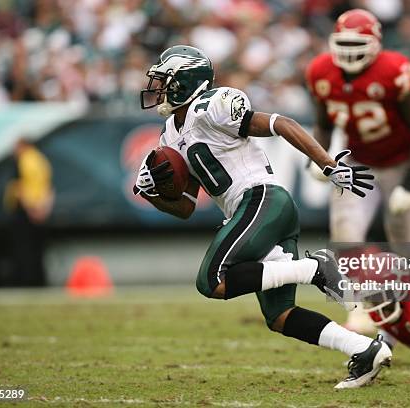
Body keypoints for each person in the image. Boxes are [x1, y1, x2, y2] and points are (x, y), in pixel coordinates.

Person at [133, 45, 391, 389]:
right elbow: (185, 207)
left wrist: (327, 165)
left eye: (165, 80)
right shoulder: (170, 133)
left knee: (211, 281)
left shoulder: (213, 105)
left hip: (262, 200)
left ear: (186, 81)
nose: (159, 88)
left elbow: (280, 123)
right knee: (280, 316)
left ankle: (313, 268)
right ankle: (365, 349)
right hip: (254, 211)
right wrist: (152, 193)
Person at [305, 9, 410, 333]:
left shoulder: (395, 70)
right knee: (346, 235)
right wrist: (317, 158)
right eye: (345, 43)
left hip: (403, 160)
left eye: (358, 43)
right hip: (358, 162)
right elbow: (324, 125)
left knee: (408, 245)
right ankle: (365, 307)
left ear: (376, 44)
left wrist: (409, 183)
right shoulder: (321, 71)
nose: (350, 51)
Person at [4, 138, 54, 286]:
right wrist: (44, 208)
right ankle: (38, 280)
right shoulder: (41, 160)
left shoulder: (25, 160)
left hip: (26, 211)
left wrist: (31, 209)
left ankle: (26, 280)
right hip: (40, 210)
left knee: (24, 249)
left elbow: (22, 188)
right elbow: (48, 187)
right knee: (37, 248)